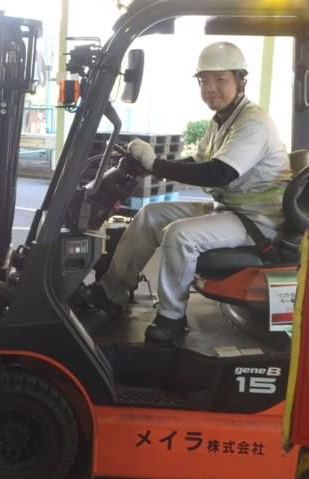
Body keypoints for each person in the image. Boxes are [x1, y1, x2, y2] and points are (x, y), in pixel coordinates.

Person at [88, 41, 292, 342]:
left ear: (240, 81)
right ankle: (111, 294)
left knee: (180, 234)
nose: (210, 88)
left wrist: (155, 163)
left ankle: (171, 319)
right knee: (150, 215)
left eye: (220, 79)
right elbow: (198, 163)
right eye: (204, 81)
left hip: (260, 221)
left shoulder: (254, 124)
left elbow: (218, 173)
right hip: (232, 210)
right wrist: (147, 167)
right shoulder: (222, 120)